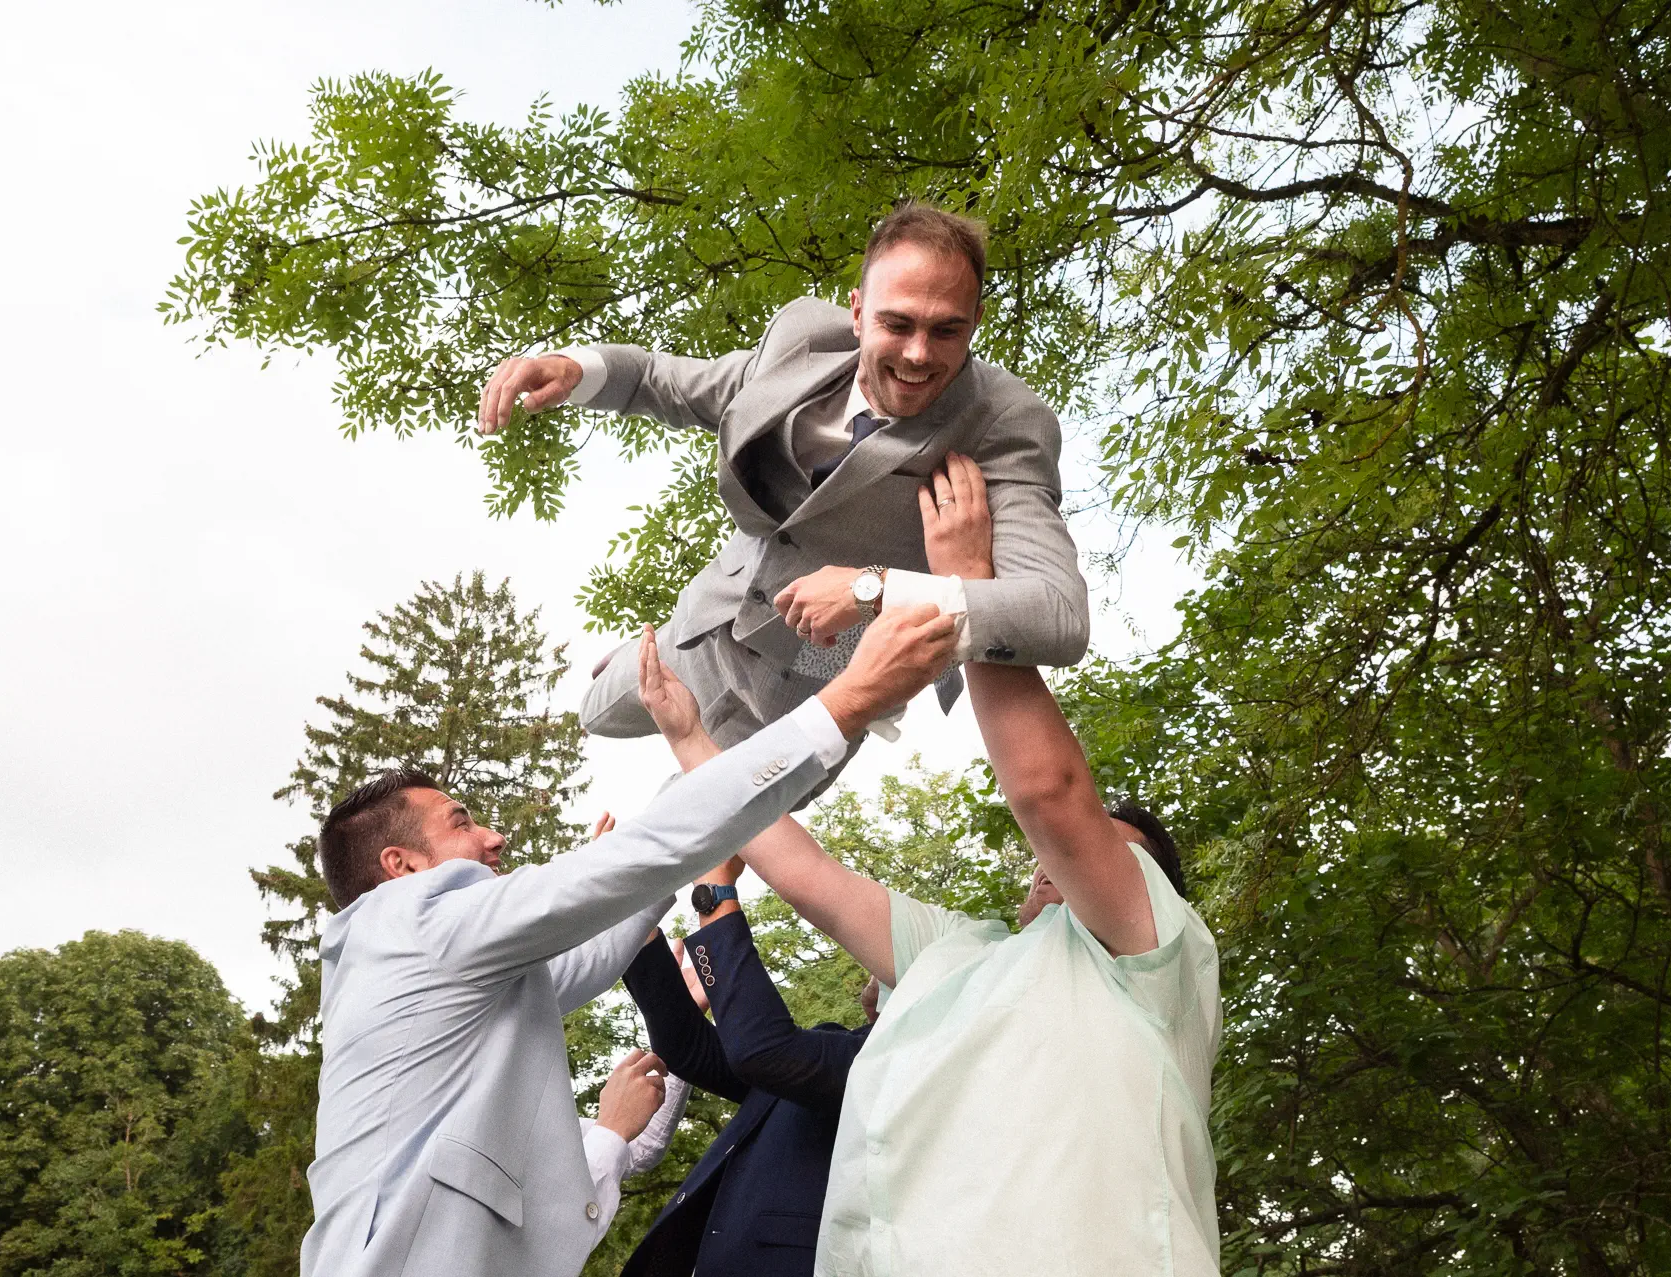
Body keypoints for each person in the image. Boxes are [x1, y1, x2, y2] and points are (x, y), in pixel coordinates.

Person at [637, 454, 1223, 1275]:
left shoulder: (1154, 956)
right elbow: (809, 877)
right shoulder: (961, 954)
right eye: (1055, 856)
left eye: (1105, 849)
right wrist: (692, 741)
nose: (1061, 861)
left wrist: (960, 589)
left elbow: (1051, 793)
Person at [297, 604, 958, 1277]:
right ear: (402, 867)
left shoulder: (434, 970)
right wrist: (847, 699)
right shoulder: (411, 920)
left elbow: (600, 935)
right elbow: (638, 859)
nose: (495, 837)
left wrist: (697, 746)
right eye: (461, 822)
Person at [477, 202, 1091, 784]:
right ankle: (635, 660)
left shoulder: (1004, 424)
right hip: (705, 620)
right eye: (896, 323)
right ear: (857, 313)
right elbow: (671, 383)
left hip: (809, 690)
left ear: (975, 321)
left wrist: (873, 589)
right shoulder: (803, 338)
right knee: (593, 712)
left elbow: (1058, 615)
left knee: (689, 835)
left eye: (947, 330)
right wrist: (577, 369)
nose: (917, 354)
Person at [616, 854, 876, 1277]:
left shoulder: (896, 1062)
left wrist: (714, 892)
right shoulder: (831, 1051)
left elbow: (764, 1048)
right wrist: (632, 906)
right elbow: (687, 1048)